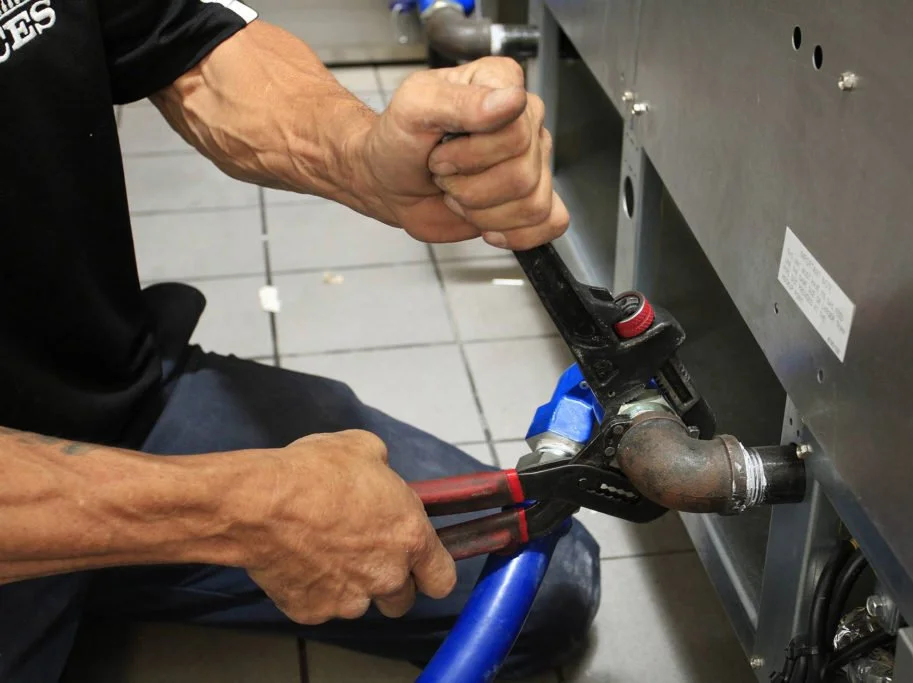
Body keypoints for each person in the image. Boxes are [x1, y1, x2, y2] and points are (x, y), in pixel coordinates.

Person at [0, 1, 600, 681]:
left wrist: (366, 154)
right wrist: (232, 510)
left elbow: (187, 46)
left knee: (549, 583)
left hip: (110, 400)